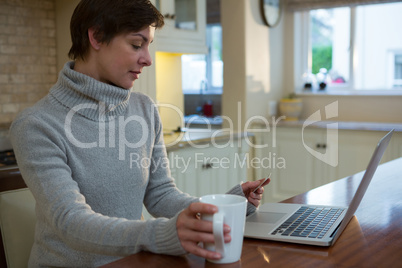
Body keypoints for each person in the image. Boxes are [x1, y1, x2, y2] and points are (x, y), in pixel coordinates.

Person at [10, 0, 270, 267]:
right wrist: (159, 234)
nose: (147, 59)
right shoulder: (36, 125)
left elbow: (161, 195)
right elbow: (70, 221)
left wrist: (224, 209)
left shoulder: (144, 109)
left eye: (148, 46)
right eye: (137, 45)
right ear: (96, 36)